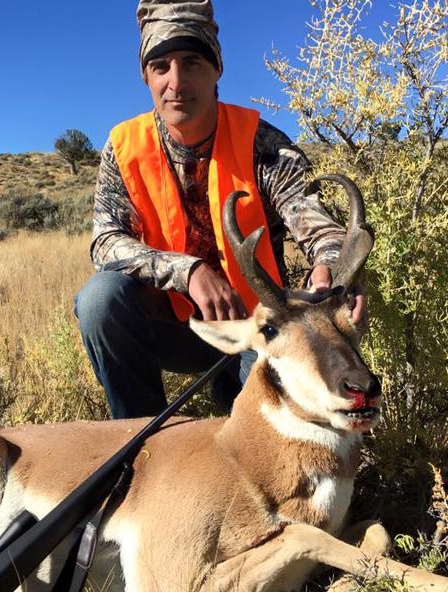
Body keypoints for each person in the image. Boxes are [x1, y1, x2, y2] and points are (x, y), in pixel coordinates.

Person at [75, 0, 365, 419]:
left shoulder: (262, 145)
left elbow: (323, 233)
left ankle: (239, 394)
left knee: (262, 442)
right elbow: (105, 243)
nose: (176, 82)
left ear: (216, 69)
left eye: (192, 63)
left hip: (258, 331)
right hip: (173, 327)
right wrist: (187, 271)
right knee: (101, 299)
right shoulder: (123, 148)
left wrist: (330, 273)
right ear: (146, 77)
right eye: (161, 67)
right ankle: (138, 444)